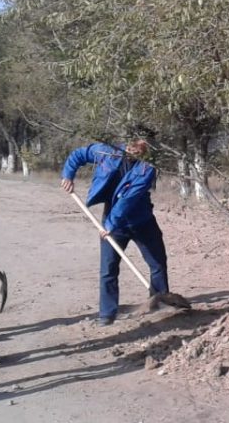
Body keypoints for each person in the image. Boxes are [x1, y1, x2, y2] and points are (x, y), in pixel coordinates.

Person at [61, 125, 168, 326]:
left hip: (141, 220)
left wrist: (110, 223)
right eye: (133, 141)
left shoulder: (148, 168)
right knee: (108, 269)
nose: (135, 147)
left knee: (157, 263)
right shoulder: (106, 151)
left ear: (149, 146)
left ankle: (161, 304)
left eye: (142, 144)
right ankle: (107, 314)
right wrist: (68, 174)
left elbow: (128, 199)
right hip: (112, 222)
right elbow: (79, 154)